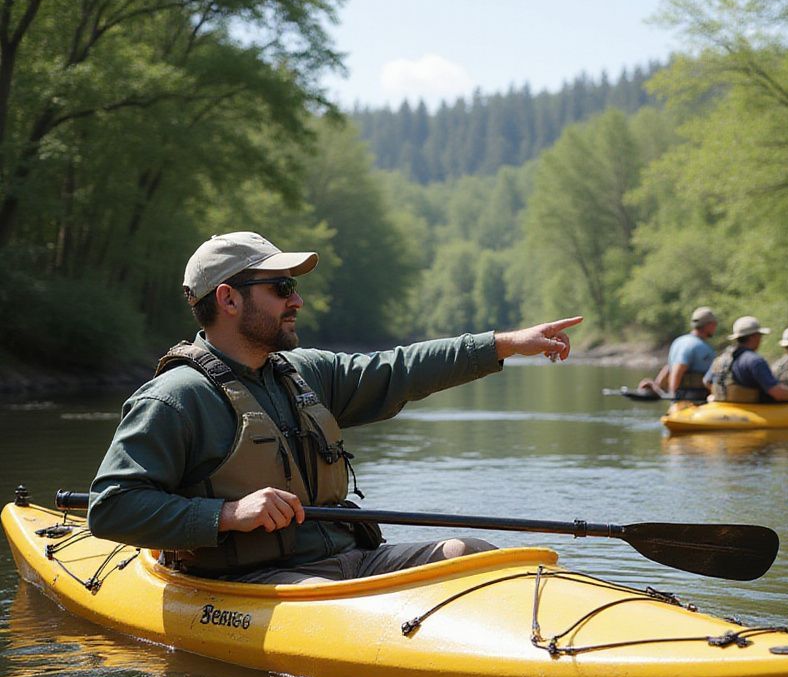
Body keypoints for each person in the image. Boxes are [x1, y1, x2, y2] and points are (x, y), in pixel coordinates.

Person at [88, 231, 582, 584]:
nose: (297, 300)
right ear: (228, 299)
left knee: (473, 554)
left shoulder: (305, 372)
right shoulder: (175, 398)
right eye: (281, 288)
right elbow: (111, 508)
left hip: (351, 563)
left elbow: (399, 369)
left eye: (294, 288)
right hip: (261, 584)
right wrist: (229, 514)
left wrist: (504, 345)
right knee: (329, 599)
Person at [704, 316, 788, 403]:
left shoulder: (721, 358)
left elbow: (707, 381)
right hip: (754, 410)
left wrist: (720, 396)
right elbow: (777, 393)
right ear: (754, 337)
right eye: (759, 336)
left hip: (726, 407)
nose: (760, 339)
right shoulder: (755, 360)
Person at [637, 306, 718, 401]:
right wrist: (674, 395)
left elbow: (669, 368)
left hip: (689, 396)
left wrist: (657, 385)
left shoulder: (679, 341)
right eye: (714, 324)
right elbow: (678, 368)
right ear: (709, 325)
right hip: (694, 398)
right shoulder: (694, 345)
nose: (715, 327)